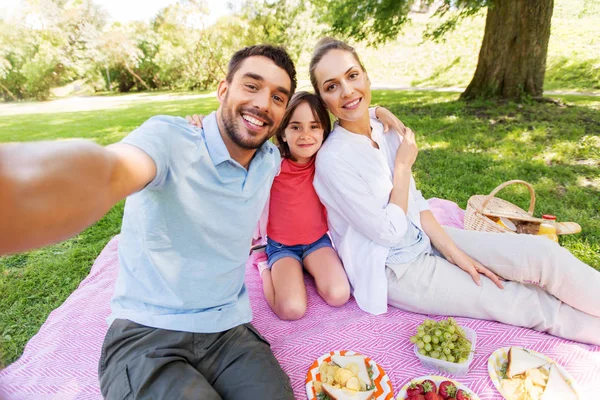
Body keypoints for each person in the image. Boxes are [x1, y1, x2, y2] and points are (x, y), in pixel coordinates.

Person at [0, 45, 298, 399]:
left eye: (278, 97)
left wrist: (375, 116)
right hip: (147, 335)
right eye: (252, 86)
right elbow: (109, 171)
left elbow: (316, 135)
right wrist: (20, 186)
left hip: (228, 331)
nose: (264, 103)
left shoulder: (268, 159)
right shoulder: (168, 139)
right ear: (223, 90)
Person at [308, 37, 600, 345]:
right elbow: (388, 234)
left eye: (352, 76)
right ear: (323, 100)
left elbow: (416, 203)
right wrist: (403, 168)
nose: (347, 91)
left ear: (366, 76)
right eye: (331, 86)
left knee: (543, 254)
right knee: (521, 301)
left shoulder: (384, 128)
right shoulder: (333, 161)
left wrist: (455, 253)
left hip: (424, 236)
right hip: (396, 269)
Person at [186, 92, 403, 321]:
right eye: (296, 127)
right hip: (282, 247)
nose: (306, 135)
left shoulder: (328, 157)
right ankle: (264, 268)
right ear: (283, 132)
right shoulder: (270, 162)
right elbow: (233, 148)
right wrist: (205, 127)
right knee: (291, 309)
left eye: (314, 126)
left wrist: (377, 111)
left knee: (339, 294)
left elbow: (350, 121)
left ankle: (305, 269)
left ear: (324, 132)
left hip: (317, 242)